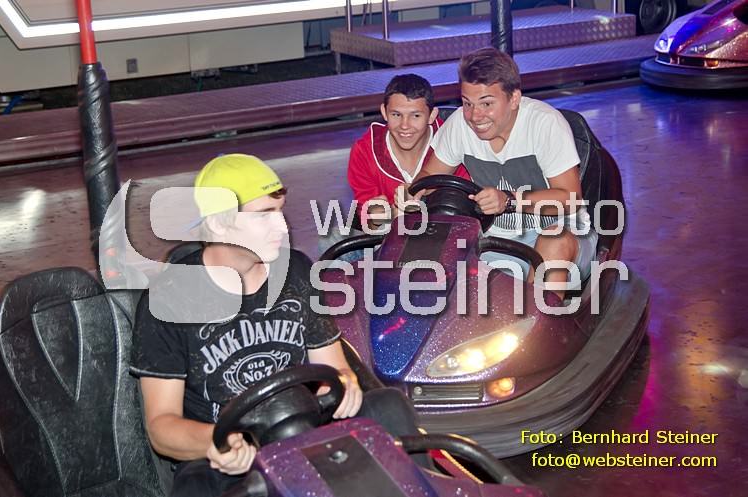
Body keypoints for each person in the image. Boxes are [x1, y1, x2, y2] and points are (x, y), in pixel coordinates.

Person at [131, 154, 422, 497]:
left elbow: (335, 368)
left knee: (389, 405)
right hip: (231, 454)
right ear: (219, 223)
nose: (282, 227)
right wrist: (214, 442)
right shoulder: (168, 300)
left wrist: (345, 384)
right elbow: (161, 426)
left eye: (280, 212)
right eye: (263, 215)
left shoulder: (296, 271)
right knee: (195, 488)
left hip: (305, 427)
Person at [413, 47, 597, 296]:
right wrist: (411, 193)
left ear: (514, 99)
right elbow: (428, 177)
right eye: (467, 103)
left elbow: (570, 198)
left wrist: (509, 200)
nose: (474, 116)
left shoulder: (545, 124)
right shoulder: (459, 124)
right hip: (497, 238)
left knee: (553, 240)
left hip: (564, 233)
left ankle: (542, 319)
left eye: (486, 103)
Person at [319, 74, 469, 256]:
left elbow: (466, 204)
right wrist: (378, 217)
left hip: (443, 235)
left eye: (415, 116)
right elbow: (368, 219)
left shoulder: (451, 141)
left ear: (431, 115)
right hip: (388, 236)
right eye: (396, 115)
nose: (405, 125)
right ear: (384, 112)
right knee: (331, 238)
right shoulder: (365, 150)